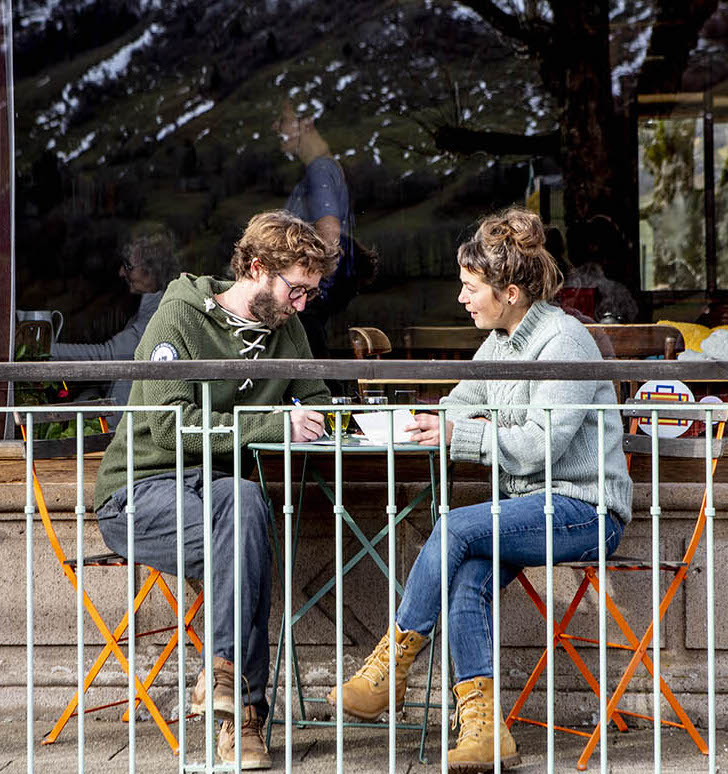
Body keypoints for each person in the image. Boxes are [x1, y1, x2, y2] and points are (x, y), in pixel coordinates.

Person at [329, 208, 633, 773]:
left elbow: (542, 446)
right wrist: (420, 423)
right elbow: (461, 406)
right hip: (530, 509)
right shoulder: (501, 343)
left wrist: (457, 431)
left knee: (454, 528)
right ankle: (485, 731)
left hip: (587, 510)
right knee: (467, 571)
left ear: (510, 291)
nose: (463, 299)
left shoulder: (562, 341)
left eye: (472, 288)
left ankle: (389, 668)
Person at [93, 211, 337, 769]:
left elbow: (315, 396)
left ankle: (222, 678)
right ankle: (245, 718)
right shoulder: (180, 316)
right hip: (139, 491)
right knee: (244, 539)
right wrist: (275, 425)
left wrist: (336, 418)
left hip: (217, 494)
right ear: (256, 268)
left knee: (248, 506)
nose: (303, 305)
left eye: (310, 294)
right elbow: (167, 425)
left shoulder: (287, 329)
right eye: (296, 291)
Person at [273, 100, 376, 362]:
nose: (277, 127)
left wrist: (311, 293)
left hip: (310, 299)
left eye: (284, 120)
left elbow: (329, 231)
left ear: (307, 123)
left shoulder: (320, 171)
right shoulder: (325, 170)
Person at [52, 223, 180, 424]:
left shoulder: (160, 313)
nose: (121, 272)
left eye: (129, 266)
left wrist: (43, 353)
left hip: (124, 436)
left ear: (152, 271)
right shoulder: (146, 308)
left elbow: (108, 356)